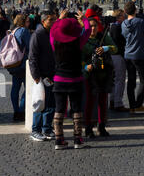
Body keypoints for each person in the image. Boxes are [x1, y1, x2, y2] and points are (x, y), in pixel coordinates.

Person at [50, 10, 91, 150]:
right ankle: (78, 139)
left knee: (59, 109)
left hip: (59, 79)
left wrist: (59, 20)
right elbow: (88, 30)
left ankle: (58, 140)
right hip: (75, 79)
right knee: (76, 109)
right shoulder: (78, 42)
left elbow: (52, 32)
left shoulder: (55, 42)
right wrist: (84, 19)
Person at [82, 17, 117, 138]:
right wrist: (86, 66)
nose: (93, 28)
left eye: (95, 26)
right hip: (90, 74)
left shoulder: (103, 37)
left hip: (103, 73)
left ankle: (101, 126)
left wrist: (106, 48)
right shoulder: (83, 39)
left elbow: (115, 48)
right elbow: (78, 57)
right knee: (89, 102)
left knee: (102, 101)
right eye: (90, 26)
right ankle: (88, 127)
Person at [29, 11, 57, 141]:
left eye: (54, 20)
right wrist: (36, 76)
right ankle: (35, 130)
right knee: (40, 103)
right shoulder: (38, 35)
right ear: (43, 21)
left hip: (51, 74)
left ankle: (47, 128)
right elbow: (32, 57)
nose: (53, 22)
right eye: (50, 20)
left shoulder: (51, 33)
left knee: (51, 103)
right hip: (41, 75)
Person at [121, 1, 144, 113]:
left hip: (127, 54)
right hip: (139, 54)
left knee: (131, 81)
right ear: (135, 10)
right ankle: (138, 104)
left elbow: (124, 36)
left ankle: (132, 106)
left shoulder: (123, 24)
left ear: (125, 11)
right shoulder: (140, 22)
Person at [9, 14, 31, 122]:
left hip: (13, 63)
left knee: (15, 88)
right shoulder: (24, 31)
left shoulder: (13, 31)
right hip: (22, 64)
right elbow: (30, 46)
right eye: (27, 21)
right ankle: (21, 111)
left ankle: (16, 111)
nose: (29, 23)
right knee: (28, 89)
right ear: (23, 22)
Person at [109, 9, 129, 112]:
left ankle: (112, 101)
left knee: (114, 80)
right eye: (122, 15)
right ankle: (118, 103)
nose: (124, 17)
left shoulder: (112, 26)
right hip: (118, 55)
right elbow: (120, 42)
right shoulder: (117, 27)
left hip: (113, 55)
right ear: (118, 17)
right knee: (120, 80)